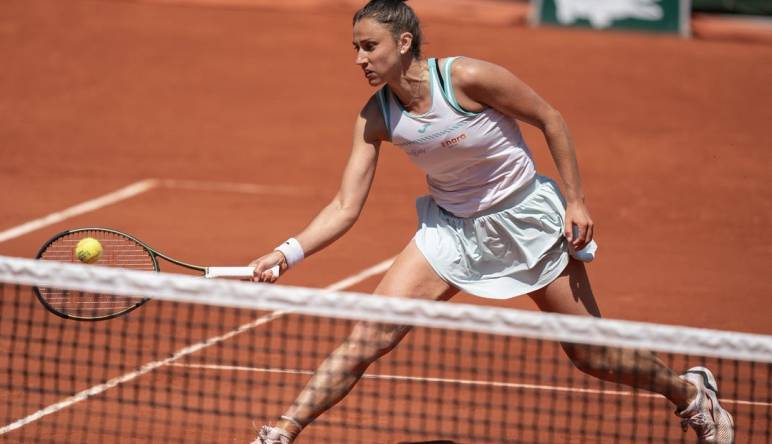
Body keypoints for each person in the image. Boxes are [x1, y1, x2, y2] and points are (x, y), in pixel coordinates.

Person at [249, 1, 734, 442]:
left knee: (593, 355)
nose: (359, 58)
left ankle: (690, 395)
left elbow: (550, 118)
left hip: (526, 222)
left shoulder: (466, 78)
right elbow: (344, 207)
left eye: (369, 46)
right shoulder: (375, 117)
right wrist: (286, 252)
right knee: (368, 337)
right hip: (451, 233)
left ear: (403, 43)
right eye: (355, 48)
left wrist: (576, 201)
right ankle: (283, 432)